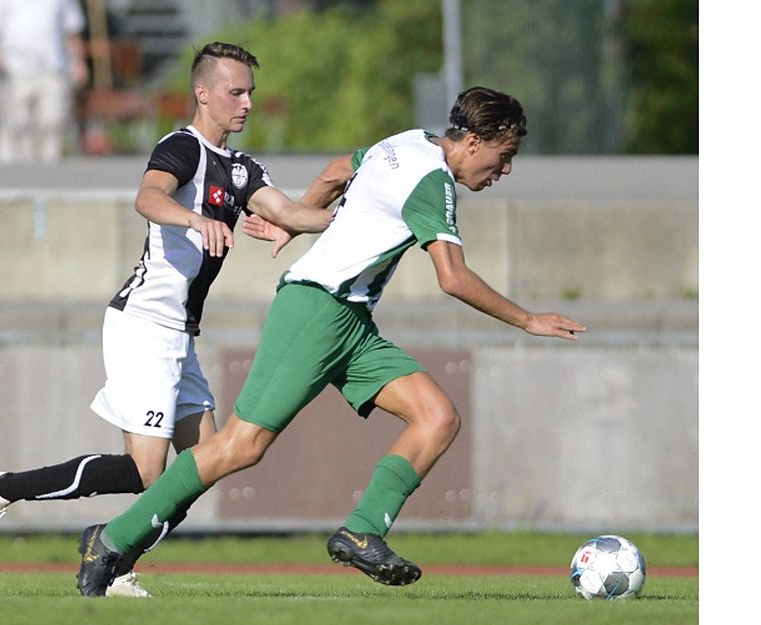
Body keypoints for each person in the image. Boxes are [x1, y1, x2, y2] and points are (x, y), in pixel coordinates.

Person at [79, 86, 587, 592]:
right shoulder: (434, 182)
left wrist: (296, 223)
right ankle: (112, 540)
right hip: (316, 311)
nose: (506, 169)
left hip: (352, 323)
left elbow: (338, 168)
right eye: (506, 154)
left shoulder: (409, 142)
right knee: (240, 445)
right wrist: (527, 320)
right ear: (476, 141)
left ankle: (362, 531)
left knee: (437, 417)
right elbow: (452, 277)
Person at [0, 42, 332, 597]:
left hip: (179, 335)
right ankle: (3, 488)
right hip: (144, 324)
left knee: (204, 465)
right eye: (236, 91)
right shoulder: (181, 147)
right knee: (148, 473)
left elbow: (291, 213)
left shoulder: (243, 168)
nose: (248, 102)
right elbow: (147, 197)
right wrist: (194, 220)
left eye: (251, 91)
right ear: (203, 94)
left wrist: (357, 210)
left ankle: (113, 556)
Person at [0, 0, 89, 163]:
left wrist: (78, 61)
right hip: (13, 66)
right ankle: (13, 172)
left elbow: (72, 29)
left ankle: (51, 169)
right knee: (16, 122)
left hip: (53, 67)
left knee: (53, 120)